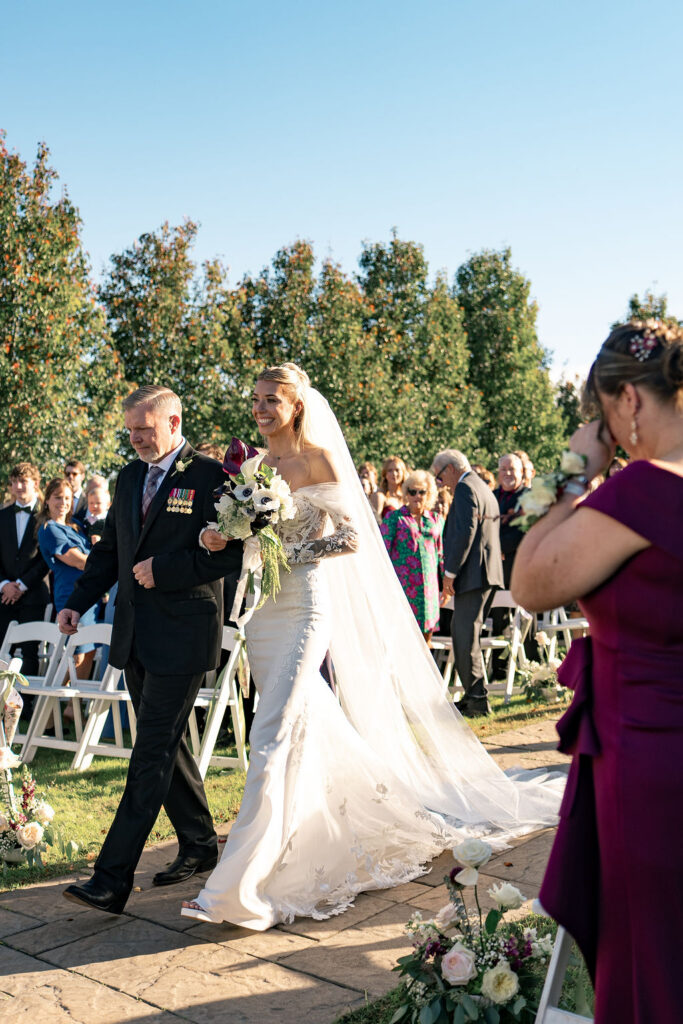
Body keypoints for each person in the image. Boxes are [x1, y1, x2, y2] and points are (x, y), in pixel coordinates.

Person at [180, 363, 562, 929]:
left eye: (271, 401)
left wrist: (291, 551)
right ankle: (333, 826)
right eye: (256, 400)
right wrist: (223, 535)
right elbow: (248, 542)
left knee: (269, 735)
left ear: (296, 406)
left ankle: (238, 887)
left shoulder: (319, 462)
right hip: (265, 613)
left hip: (306, 608)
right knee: (300, 725)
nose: (260, 410)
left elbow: (352, 536)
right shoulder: (255, 467)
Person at [511, 319, 683, 1024]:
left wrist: (572, 473)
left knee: (651, 957)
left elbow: (528, 582)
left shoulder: (641, 491)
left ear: (628, 402)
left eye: (601, 412)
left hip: (648, 757)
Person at [57, 385, 242, 916]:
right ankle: (201, 843)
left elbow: (227, 558)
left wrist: (166, 570)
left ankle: (111, 879)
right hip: (134, 633)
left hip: (184, 634)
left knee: (151, 754)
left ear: (173, 421)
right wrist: (78, 601)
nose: (136, 439)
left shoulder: (211, 477)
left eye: (145, 428)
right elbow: (113, 549)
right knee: (167, 742)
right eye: (131, 430)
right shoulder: (129, 476)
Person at [432, 449, 504, 717]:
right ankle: (474, 696)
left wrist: (450, 573)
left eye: (439, 477)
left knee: (463, 635)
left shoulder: (464, 489)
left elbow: (465, 533)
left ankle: (476, 699)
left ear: (450, 469)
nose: (441, 484)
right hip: (486, 573)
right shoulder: (482, 487)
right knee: (467, 635)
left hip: (474, 574)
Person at [37, 478, 98, 677]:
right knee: (76, 654)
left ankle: (73, 705)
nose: (63, 502)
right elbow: (77, 560)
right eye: (57, 497)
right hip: (72, 596)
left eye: (67, 498)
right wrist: (107, 562)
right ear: (46, 500)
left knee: (90, 652)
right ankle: (60, 705)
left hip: (91, 595)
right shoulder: (49, 529)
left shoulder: (77, 525)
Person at [0, 462, 49, 676]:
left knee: (29, 653)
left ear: (36, 484)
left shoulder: (45, 517)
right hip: (3, 596)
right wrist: (4, 585)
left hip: (33, 595)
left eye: (24, 482)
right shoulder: (1, 516)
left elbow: (46, 558)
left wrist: (21, 585)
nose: (19, 487)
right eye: (14, 482)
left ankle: (27, 708)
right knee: (1, 652)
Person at [381, 470, 442, 642]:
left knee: (426, 640)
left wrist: (446, 584)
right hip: (404, 585)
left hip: (429, 587)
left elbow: (441, 553)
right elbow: (382, 551)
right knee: (402, 637)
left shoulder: (436, 519)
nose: (417, 496)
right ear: (406, 493)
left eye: (421, 492)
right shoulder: (394, 518)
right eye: (412, 491)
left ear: (428, 494)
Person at [494, 453, 528, 588]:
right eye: (503, 469)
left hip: (518, 568)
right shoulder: (491, 496)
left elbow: (525, 530)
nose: (507, 473)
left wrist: (498, 547)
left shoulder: (530, 497)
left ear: (521, 472)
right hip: (492, 570)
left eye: (512, 469)